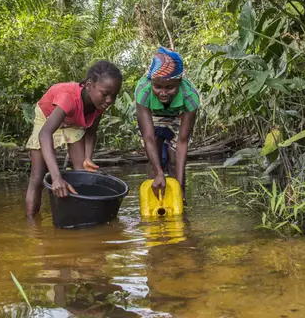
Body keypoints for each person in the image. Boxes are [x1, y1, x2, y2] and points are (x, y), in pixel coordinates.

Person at [25, 61, 123, 216]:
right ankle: (31, 224)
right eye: (105, 94)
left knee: (83, 172)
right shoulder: (68, 98)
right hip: (47, 118)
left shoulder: (99, 104)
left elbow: (91, 131)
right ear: (89, 85)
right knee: (37, 177)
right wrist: (56, 178)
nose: (110, 100)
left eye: (114, 96)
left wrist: (88, 157)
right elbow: (44, 134)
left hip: (72, 121)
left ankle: (82, 214)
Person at [136, 47, 199, 201]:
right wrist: (158, 171)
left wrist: (180, 186)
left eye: (170, 87)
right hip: (153, 118)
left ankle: (177, 199)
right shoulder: (143, 91)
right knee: (155, 158)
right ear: (151, 82)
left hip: (177, 117)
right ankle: (155, 199)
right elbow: (148, 137)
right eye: (158, 87)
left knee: (173, 161)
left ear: (179, 82)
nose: (163, 93)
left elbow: (182, 142)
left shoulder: (189, 96)